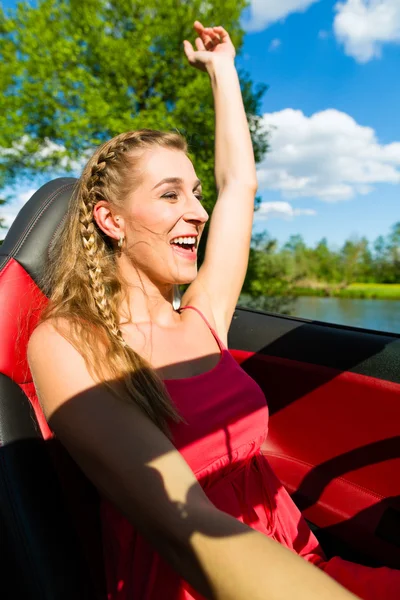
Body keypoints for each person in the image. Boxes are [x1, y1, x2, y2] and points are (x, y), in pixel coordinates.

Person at [27, 20, 398, 600]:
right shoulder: (69, 344)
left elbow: (239, 184)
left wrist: (222, 71)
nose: (198, 212)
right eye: (171, 194)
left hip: (301, 561)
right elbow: (183, 526)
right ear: (111, 220)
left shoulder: (203, 316)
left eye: (196, 193)